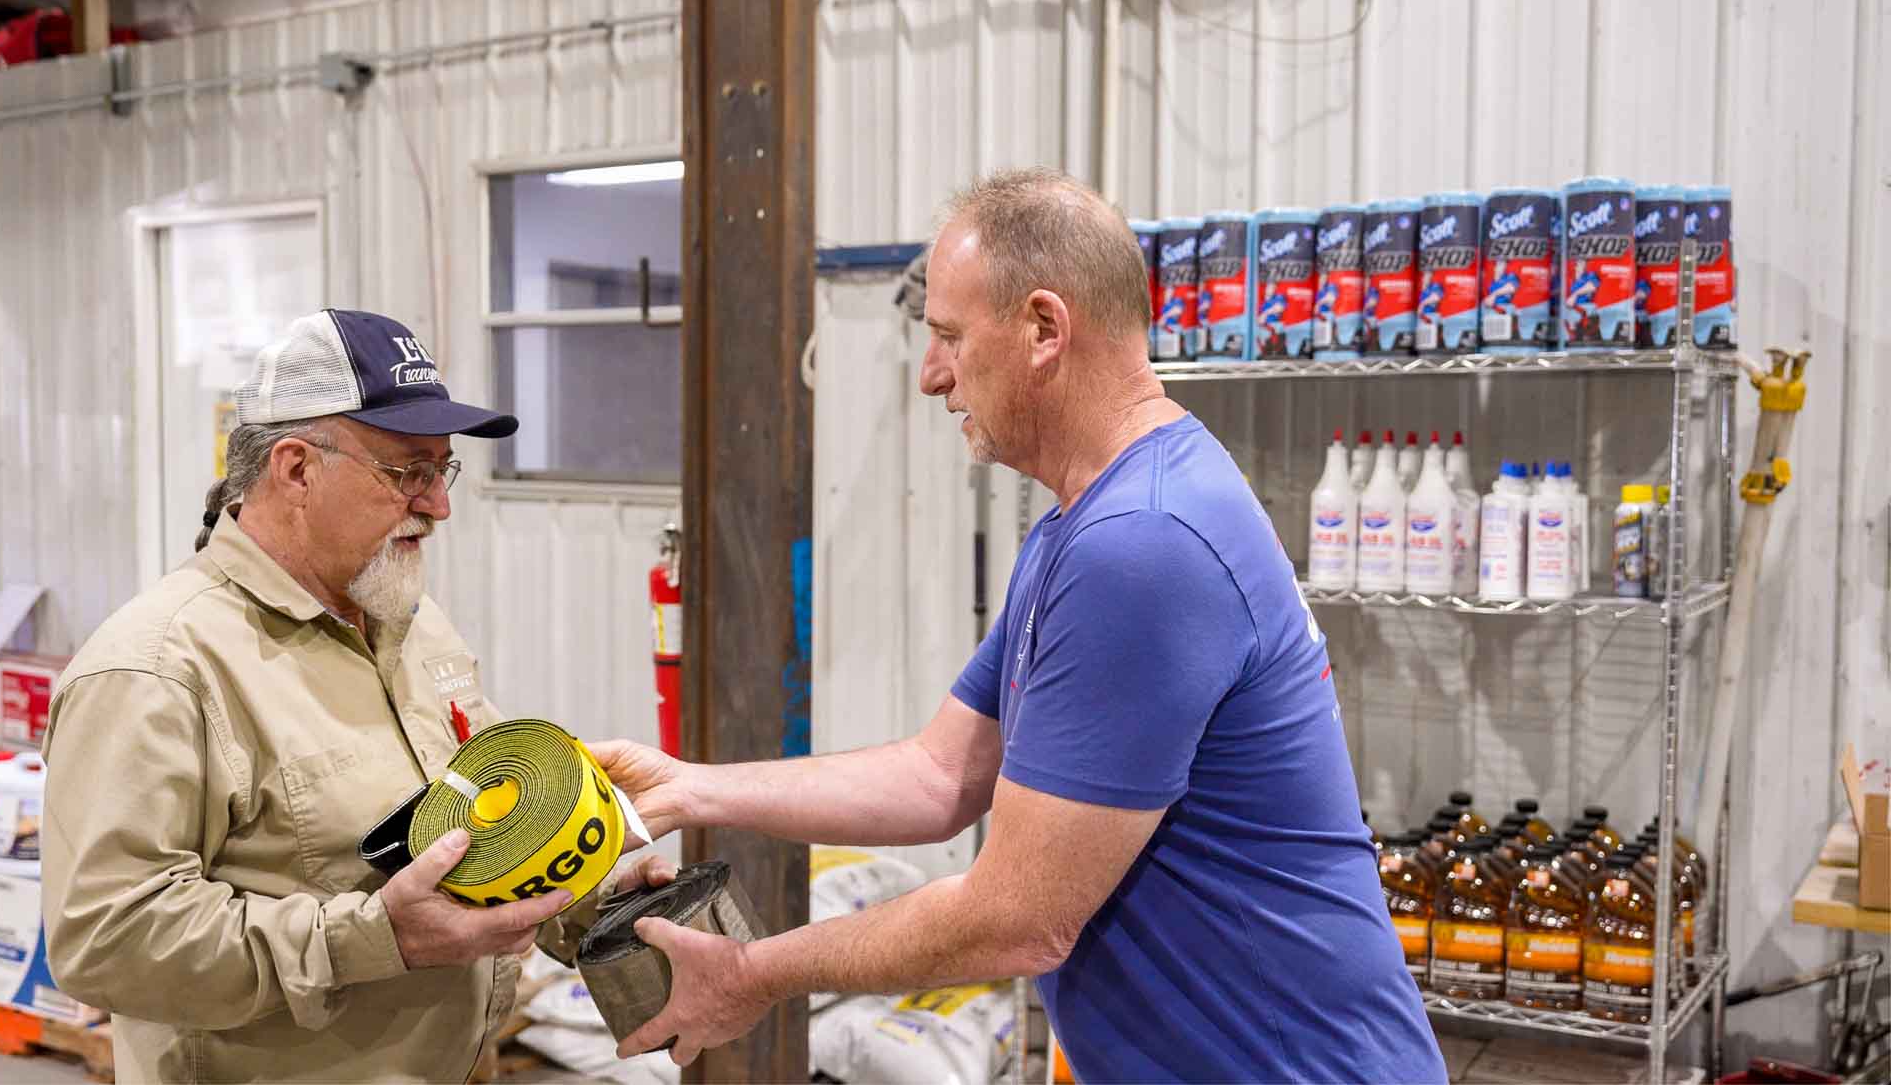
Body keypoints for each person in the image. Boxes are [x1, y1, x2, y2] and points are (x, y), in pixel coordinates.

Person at [594, 170, 1446, 1082]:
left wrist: (752, 975)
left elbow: (1018, 919)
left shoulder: (1143, 545)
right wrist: (692, 790)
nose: (931, 376)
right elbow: (939, 776)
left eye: (951, 337)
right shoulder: (1084, 525)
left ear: (1044, 328)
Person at [40, 309, 670, 1082]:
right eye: (408, 472)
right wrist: (377, 939)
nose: (438, 505)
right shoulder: (158, 669)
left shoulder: (407, 618)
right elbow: (107, 938)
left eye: (444, 469)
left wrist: (588, 894)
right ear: (297, 469)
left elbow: (476, 832)